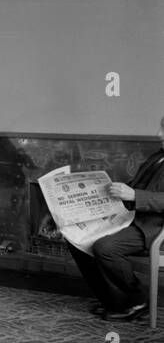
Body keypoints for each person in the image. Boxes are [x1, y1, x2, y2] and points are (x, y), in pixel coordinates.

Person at [68, 118, 164, 320]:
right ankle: (112, 300)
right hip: (133, 218)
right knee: (76, 238)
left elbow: (140, 194)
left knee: (106, 247)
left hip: (154, 228)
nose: (158, 134)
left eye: (163, 130)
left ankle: (136, 302)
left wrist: (134, 195)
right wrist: (111, 190)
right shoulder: (158, 157)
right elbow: (135, 185)